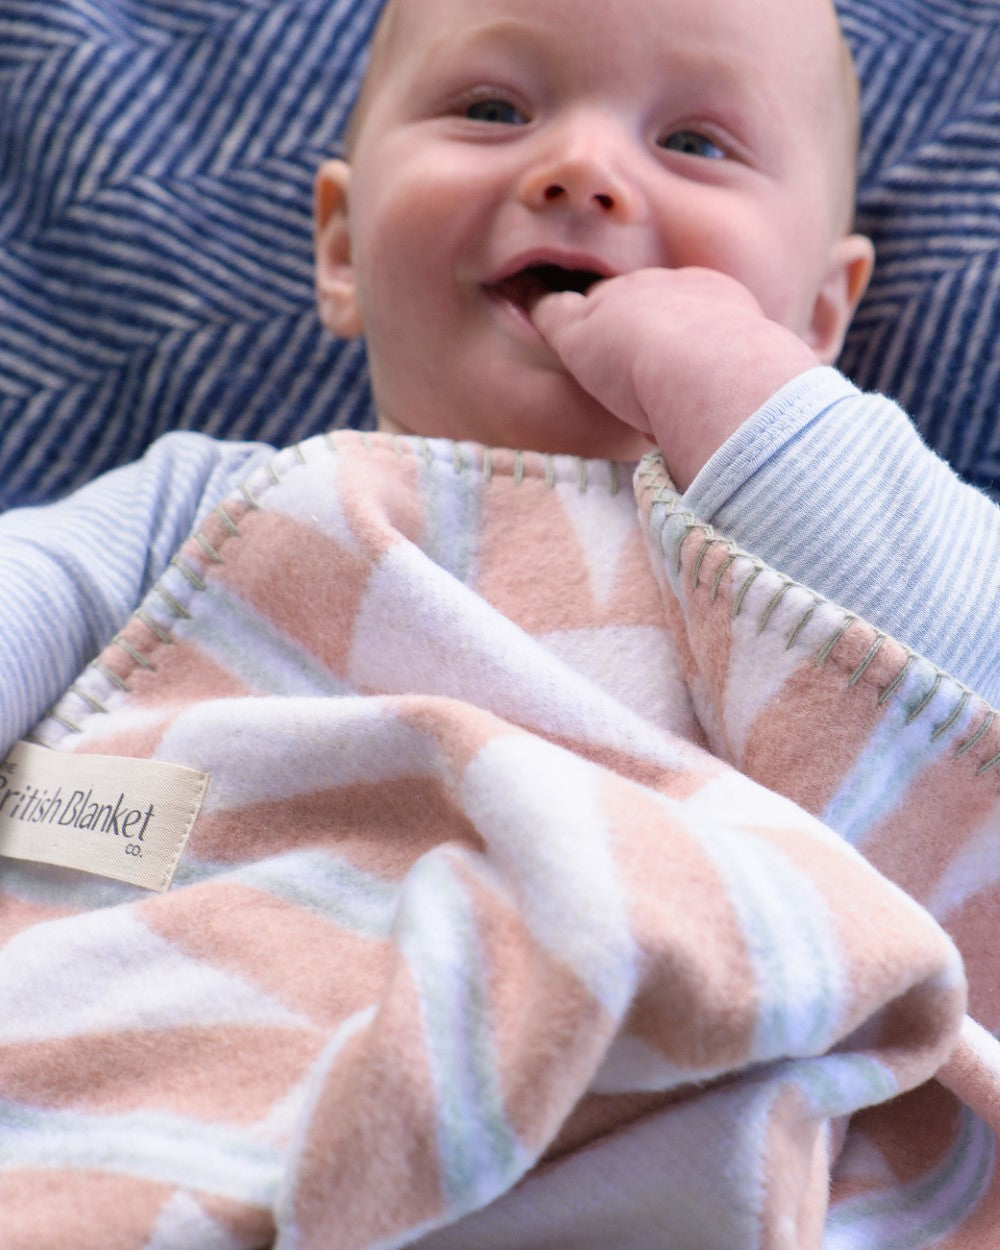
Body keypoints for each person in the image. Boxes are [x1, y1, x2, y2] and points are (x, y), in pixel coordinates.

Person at [1, 0, 999, 1247]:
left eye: (695, 142)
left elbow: (974, 706)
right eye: (490, 111)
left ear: (816, 313)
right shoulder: (205, 503)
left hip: (663, 1138)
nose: (579, 168)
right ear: (343, 244)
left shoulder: (802, 566)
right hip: (160, 1084)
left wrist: (763, 410)